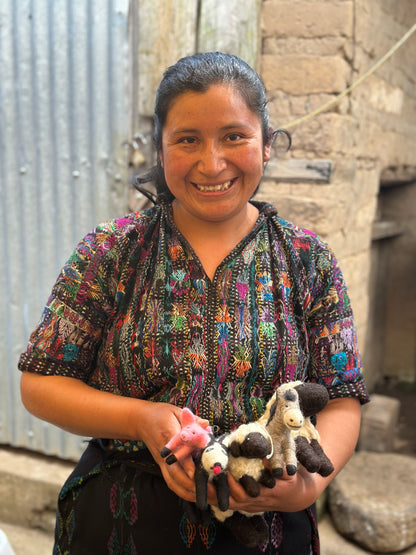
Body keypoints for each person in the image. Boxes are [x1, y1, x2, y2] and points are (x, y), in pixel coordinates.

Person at [19, 52, 369, 554]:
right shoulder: (111, 251)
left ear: (266, 145)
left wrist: (308, 487)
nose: (212, 163)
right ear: (160, 151)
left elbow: (341, 398)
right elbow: (41, 383)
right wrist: (141, 418)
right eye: (187, 140)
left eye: (234, 136)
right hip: (121, 525)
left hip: (267, 526)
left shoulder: (307, 260)